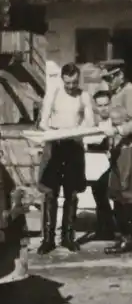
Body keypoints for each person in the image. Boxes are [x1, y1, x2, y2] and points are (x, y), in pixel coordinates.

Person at [37, 63, 95, 255]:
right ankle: (48, 239)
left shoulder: (84, 96)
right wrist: (56, 132)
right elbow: (43, 122)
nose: (71, 86)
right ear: (62, 79)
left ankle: (68, 237)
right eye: (68, 82)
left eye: (74, 82)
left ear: (79, 80)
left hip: (74, 147)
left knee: (71, 193)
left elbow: (90, 123)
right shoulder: (53, 94)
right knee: (50, 193)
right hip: (55, 145)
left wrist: (77, 131)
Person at [99, 60, 132, 254]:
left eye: (111, 77)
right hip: (117, 150)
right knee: (116, 193)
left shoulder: (129, 92)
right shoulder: (115, 94)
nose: (108, 82)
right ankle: (121, 236)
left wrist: (120, 129)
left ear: (120, 75)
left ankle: (126, 239)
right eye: (106, 78)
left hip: (128, 149)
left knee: (125, 195)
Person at [83, 90, 115, 241]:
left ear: (111, 104)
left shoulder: (116, 121)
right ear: (95, 107)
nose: (103, 108)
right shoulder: (92, 123)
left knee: (116, 197)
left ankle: (115, 229)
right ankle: (105, 229)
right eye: (100, 105)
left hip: (116, 164)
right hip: (98, 164)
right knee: (99, 194)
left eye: (106, 105)